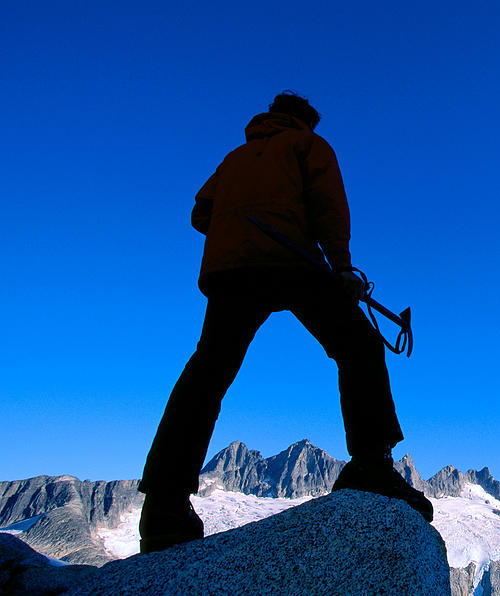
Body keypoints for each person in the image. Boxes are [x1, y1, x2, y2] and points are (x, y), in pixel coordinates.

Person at [137, 91, 432, 554]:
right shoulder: (307, 146)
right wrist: (341, 268)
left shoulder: (234, 158)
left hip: (231, 269)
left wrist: (241, 219)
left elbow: (201, 213)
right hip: (291, 261)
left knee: (208, 373)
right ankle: (371, 464)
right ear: (303, 121)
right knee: (358, 346)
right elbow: (328, 206)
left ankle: (163, 503)